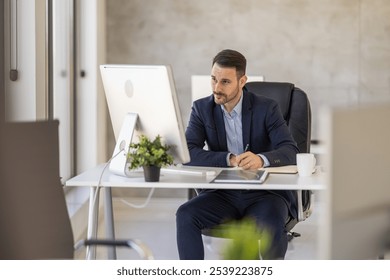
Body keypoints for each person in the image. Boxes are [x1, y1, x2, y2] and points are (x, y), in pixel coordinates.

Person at [176, 49, 299, 260]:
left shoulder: (267, 108)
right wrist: (229, 159)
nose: (216, 88)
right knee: (185, 215)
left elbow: (290, 150)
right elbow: (187, 152)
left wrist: (262, 159)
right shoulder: (202, 109)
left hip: (265, 194)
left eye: (225, 82)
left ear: (242, 81)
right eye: (213, 79)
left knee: (270, 225)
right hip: (222, 194)